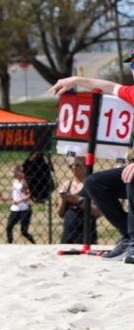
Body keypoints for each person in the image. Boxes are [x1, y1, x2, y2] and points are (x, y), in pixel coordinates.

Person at [49, 65, 134, 257]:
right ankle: (128, 235)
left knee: (131, 176)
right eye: (133, 65)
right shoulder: (132, 93)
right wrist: (75, 80)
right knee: (95, 182)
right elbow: (110, 86)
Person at [57, 156, 101, 245]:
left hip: (87, 235)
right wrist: (63, 200)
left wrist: (79, 201)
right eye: (70, 165)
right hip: (68, 236)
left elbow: (98, 213)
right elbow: (60, 214)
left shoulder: (92, 185)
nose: (73, 168)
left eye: (77, 165)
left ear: (86, 166)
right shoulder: (66, 185)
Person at [6, 163, 36, 244]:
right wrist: (9, 198)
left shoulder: (24, 181)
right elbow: (15, 194)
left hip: (24, 208)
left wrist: (19, 201)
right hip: (15, 208)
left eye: (15, 173)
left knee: (24, 231)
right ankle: (10, 244)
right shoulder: (15, 181)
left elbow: (29, 195)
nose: (14, 175)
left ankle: (34, 243)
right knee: (9, 227)